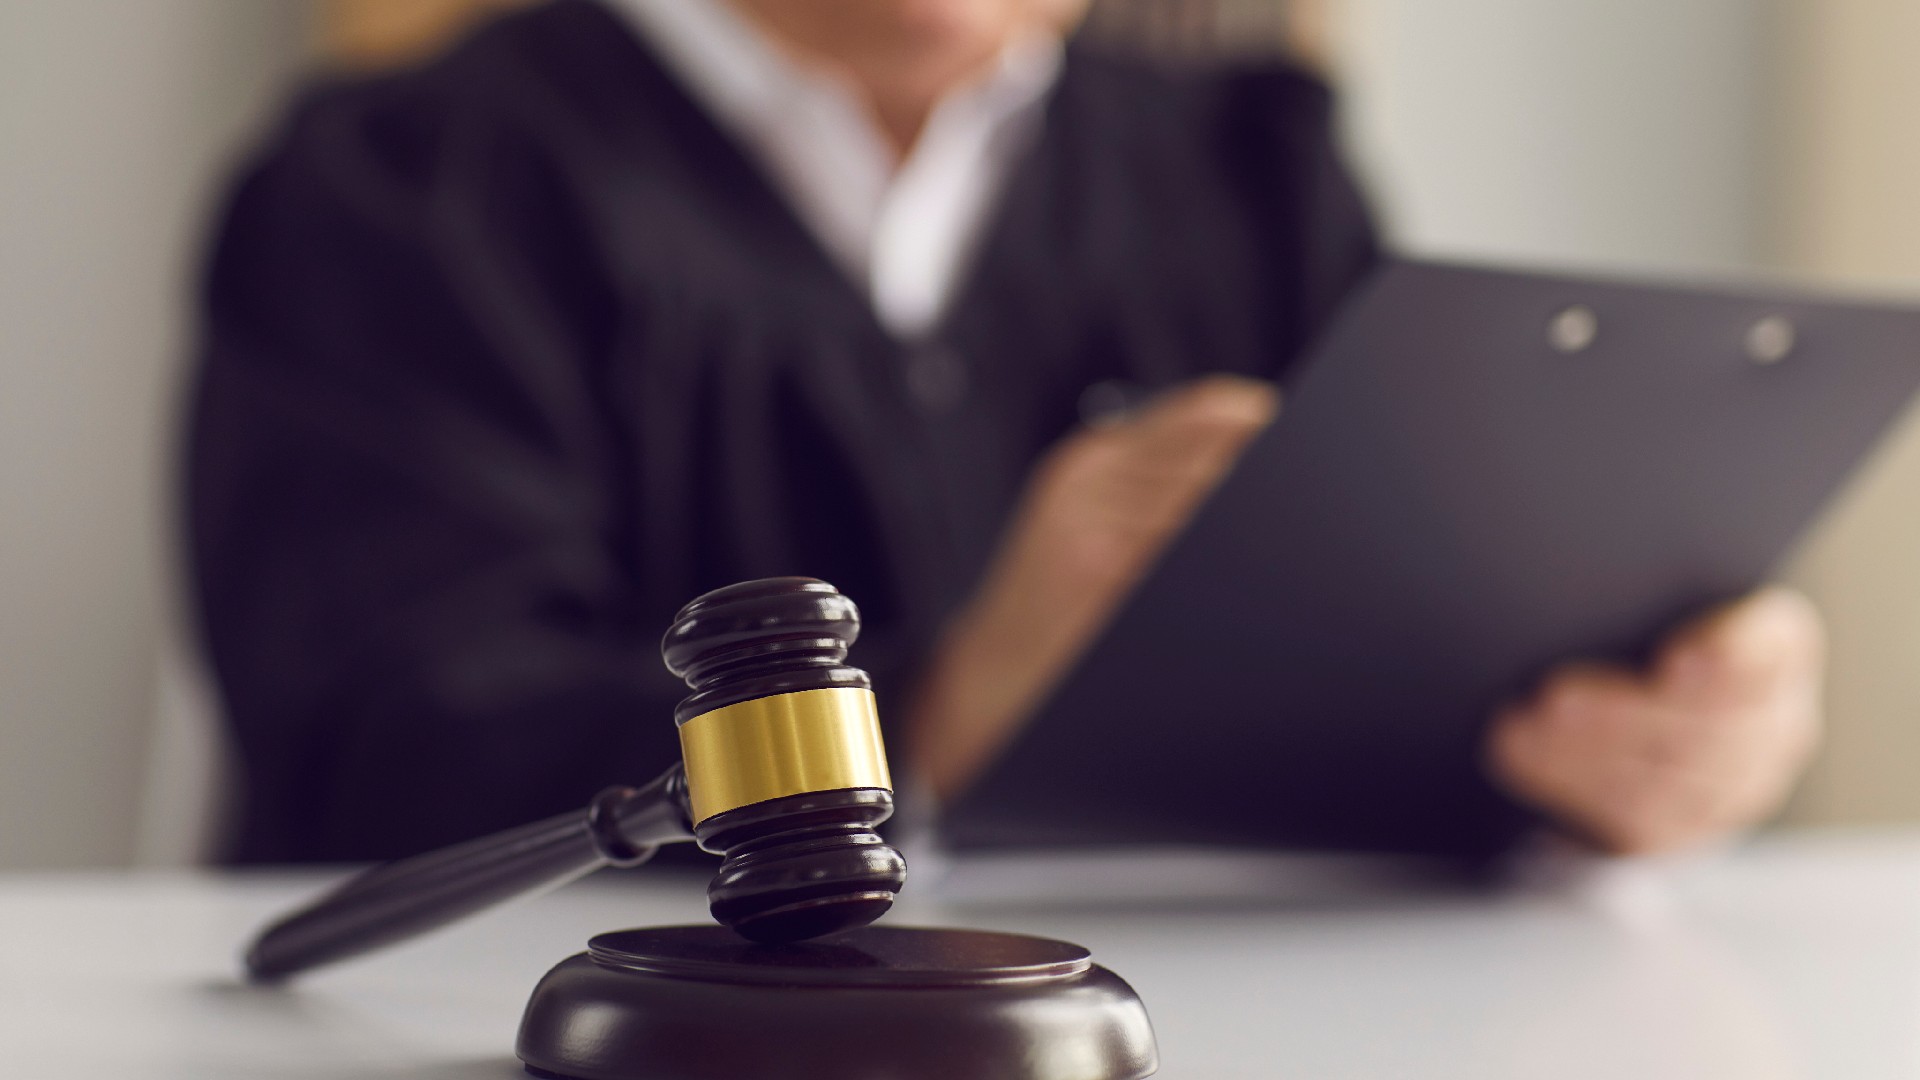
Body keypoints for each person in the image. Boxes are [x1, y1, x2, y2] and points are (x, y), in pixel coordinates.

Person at [188, 0, 1823, 864]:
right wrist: (956, 695)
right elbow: (388, 757)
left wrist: (1621, 742)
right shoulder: (408, 190)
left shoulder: (1247, 165)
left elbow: (1382, 665)